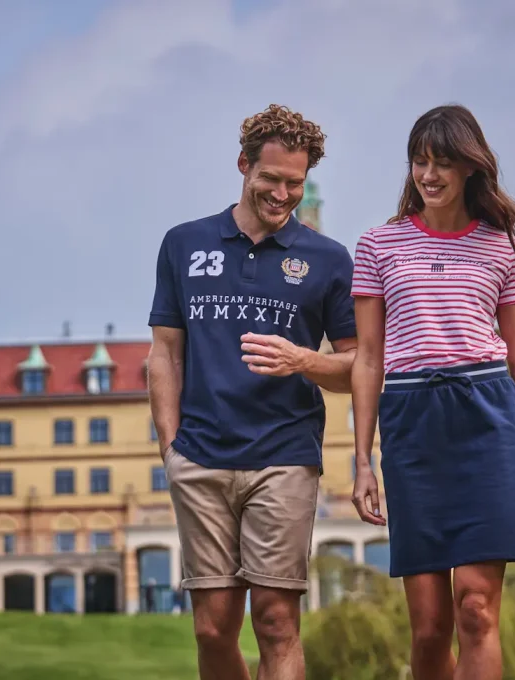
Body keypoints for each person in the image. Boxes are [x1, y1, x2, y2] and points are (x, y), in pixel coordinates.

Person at [349, 104, 515, 680]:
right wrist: (362, 460)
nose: (428, 175)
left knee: (477, 612)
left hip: (486, 422)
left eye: (443, 163)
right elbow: (367, 358)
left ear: (470, 168)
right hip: (412, 425)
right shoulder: (378, 246)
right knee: (430, 627)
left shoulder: (502, 245)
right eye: (419, 161)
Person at [147, 104, 358, 680]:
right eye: (271, 179)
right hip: (202, 457)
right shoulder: (184, 244)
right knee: (213, 630)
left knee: (275, 623)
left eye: (296, 183)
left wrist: (303, 359)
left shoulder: (329, 259)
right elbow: (165, 353)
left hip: (284, 456)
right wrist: (172, 450)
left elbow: (359, 365)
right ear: (243, 165)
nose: (283, 194)